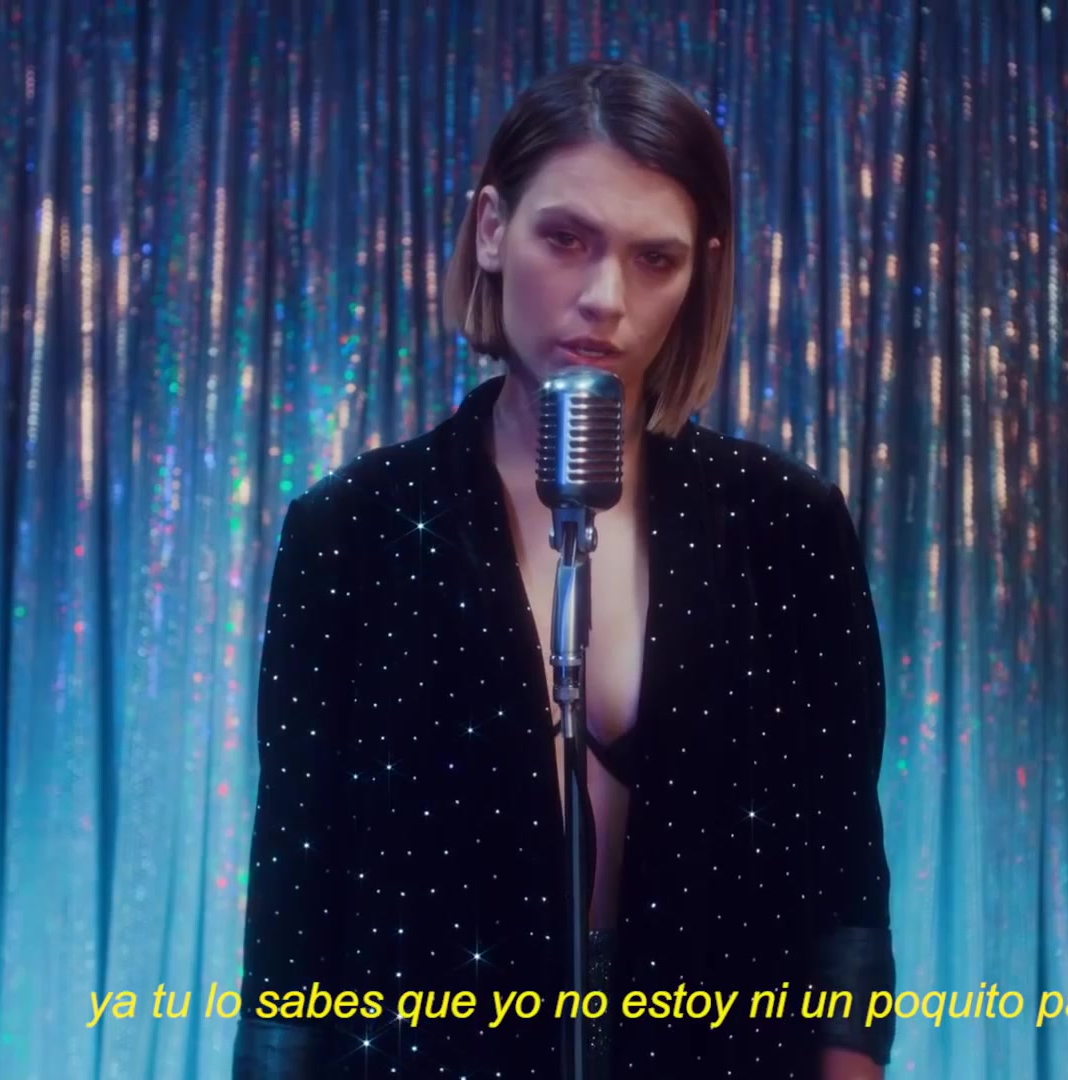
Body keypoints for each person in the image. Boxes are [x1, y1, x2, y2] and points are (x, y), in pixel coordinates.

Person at [234, 59, 894, 1078]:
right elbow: (296, 896)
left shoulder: (784, 528)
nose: (603, 298)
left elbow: (841, 875)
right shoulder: (355, 530)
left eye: (655, 258)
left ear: (702, 271)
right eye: (566, 238)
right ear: (492, 229)